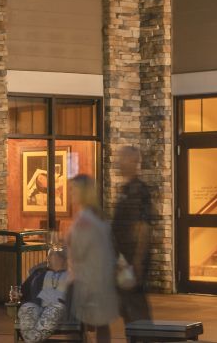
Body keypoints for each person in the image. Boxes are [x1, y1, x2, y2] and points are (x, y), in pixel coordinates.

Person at [63, 174, 119, 342]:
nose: (71, 194)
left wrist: (66, 241)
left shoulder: (83, 220)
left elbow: (78, 252)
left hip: (85, 281)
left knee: (72, 325)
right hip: (103, 279)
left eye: (73, 190)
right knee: (102, 325)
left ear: (83, 193)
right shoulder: (99, 216)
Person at [110, 146, 157, 322]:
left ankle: (144, 337)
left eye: (122, 159)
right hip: (123, 258)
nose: (118, 163)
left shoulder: (139, 190)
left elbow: (143, 227)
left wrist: (137, 261)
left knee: (135, 306)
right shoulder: (125, 189)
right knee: (127, 305)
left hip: (132, 259)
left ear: (132, 161)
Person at [16, 249, 72, 343]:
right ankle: (31, 340)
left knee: (53, 311)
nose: (50, 260)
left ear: (63, 260)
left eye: (56, 257)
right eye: (49, 257)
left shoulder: (71, 274)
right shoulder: (38, 272)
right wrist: (18, 294)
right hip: (34, 304)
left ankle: (31, 340)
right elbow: (23, 290)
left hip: (57, 306)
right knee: (27, 311)